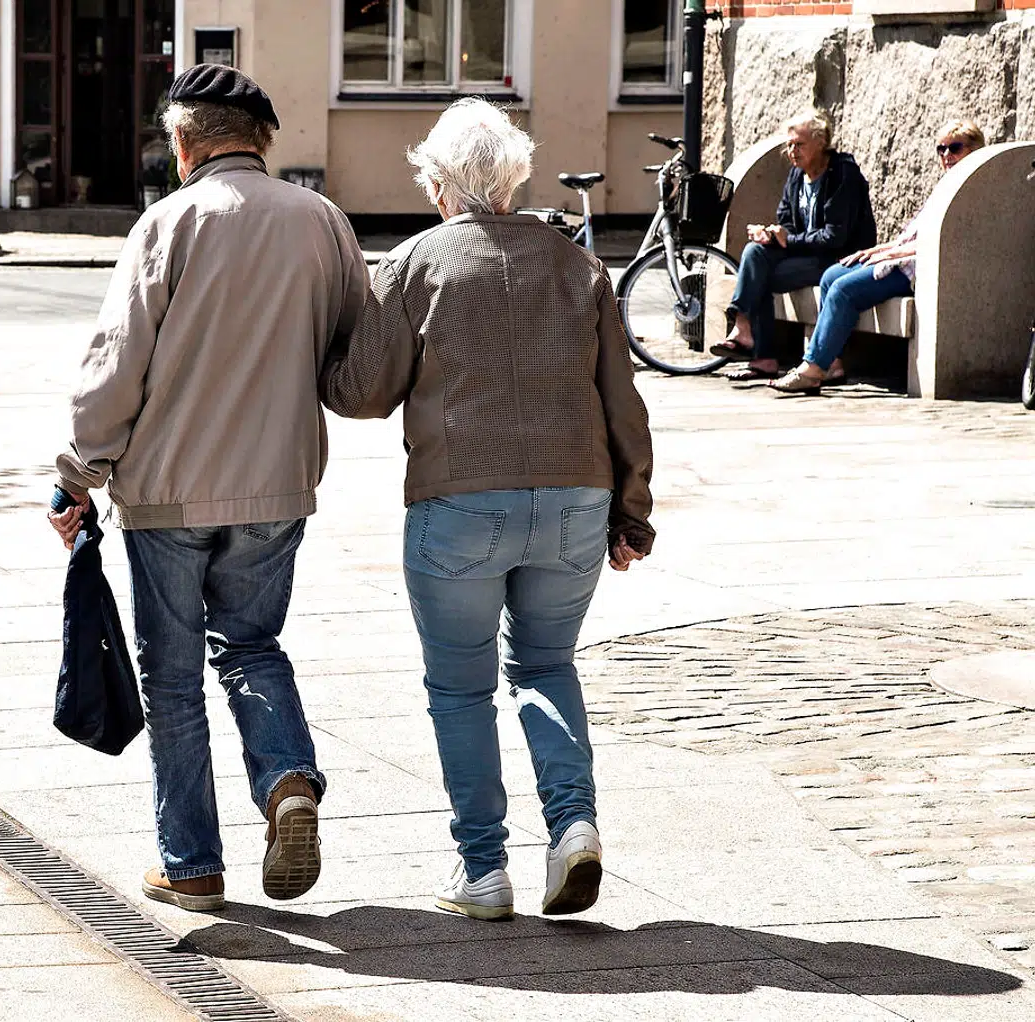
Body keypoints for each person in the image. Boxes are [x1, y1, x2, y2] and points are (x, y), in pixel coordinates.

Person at [320, 98, 656, 921]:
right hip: (578, 495)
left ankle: (483, 870)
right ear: (513, 180)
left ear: (439, 183)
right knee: (547, 667)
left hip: (460, 498)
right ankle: (573, 827)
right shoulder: (578, 265)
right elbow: (624, 397)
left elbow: (363, 391)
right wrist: (632, 510)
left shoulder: (416, 261)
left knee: (461, 689)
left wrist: (330, 348)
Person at [46, 64, 368, 913]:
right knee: (253, 646)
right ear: (263, 140)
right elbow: (354, 365)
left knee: (175, 678)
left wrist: (78, 474)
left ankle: (190, 863)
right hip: (277, 488)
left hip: (168, 493)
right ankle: (288, 779)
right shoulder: (324, 222)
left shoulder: (168, 222)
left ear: (183, 144)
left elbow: (116, 364)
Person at [772, 120, 986, 394]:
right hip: (901, 258)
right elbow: (910, 237)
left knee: (843, 290)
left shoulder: (970, 191)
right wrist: (879, 250)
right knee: (831, 275)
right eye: (941, 149)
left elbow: (950, 242)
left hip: (919, 268)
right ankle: (832, 362)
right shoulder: (946, 186)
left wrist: (897, 253)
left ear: (975, 150)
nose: (946, 156)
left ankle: (813, 367)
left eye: (955, 148)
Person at [711, 109, 877, 382]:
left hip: (838, 259)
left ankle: (756, 347)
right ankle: (745, 330)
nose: (792, 151)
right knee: (755, 253)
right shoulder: (797, 176)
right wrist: (771, 233)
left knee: (758, 275)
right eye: (789, 145)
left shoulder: (842, 174)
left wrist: (789, 240)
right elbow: (786, 220)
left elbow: (835, 237)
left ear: (821, 141)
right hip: (806, 255)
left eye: (799, 144)